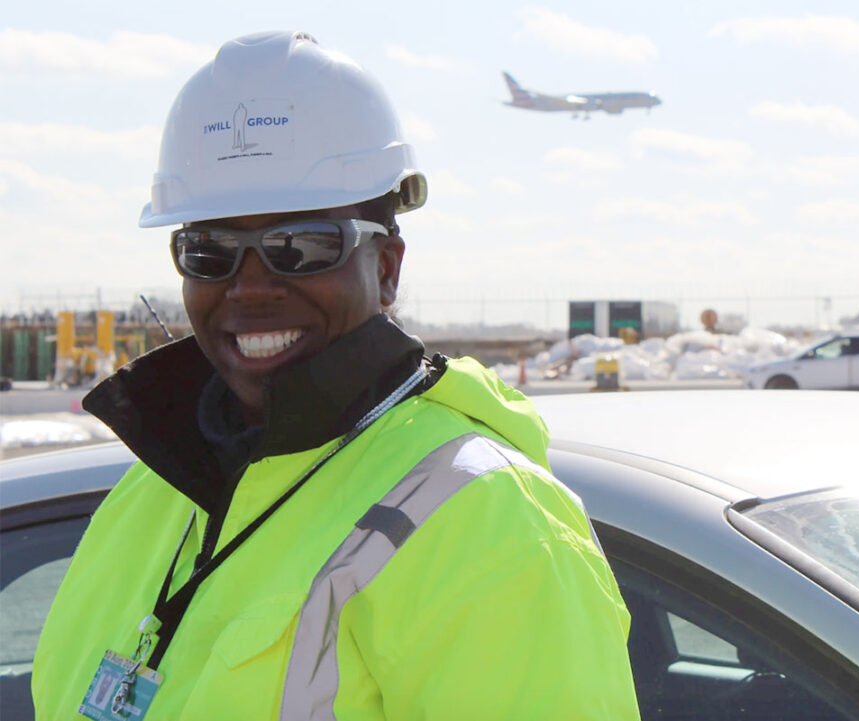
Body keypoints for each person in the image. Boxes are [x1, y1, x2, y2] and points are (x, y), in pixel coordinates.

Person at [33, 31, 640, 720]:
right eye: (209, 250)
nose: (250, 287)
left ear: (386, 269)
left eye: (302, 245)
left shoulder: (492, 527)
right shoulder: (151, 493)